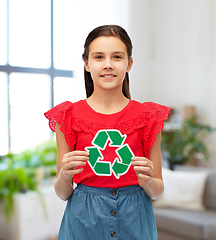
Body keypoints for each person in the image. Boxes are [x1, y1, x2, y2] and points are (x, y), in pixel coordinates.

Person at [44, 25, 170, 240]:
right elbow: (63, 193)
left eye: (117, 57)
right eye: (99, 57)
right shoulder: (68, 116)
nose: (108, 65)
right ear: (86, 63)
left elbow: (157, 191)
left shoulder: (149, 117)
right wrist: (64, 175)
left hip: (135, 220)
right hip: (83, 221)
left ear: (129, 64)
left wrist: (149, 182)